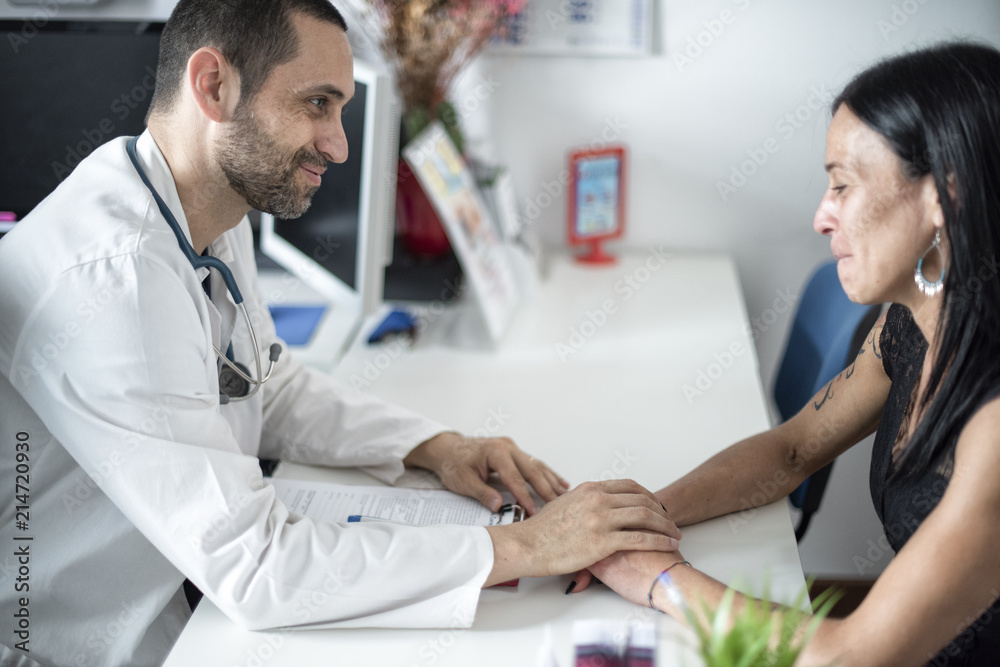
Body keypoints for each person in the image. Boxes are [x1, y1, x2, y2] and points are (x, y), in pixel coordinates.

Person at [0, 1, 681, 665]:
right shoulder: (115, 277)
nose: (339, 144)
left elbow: (262, 381)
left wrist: (434, 446)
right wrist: (528, 546)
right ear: (213, 85)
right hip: (82, 639)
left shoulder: (203, 205)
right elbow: (258, 568)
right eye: (317, 104)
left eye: (340, 110)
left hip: (182, 596)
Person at [570, 42, 1000, 666]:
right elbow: (793, 449)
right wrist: (643, 518)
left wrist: (661, 579)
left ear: (944, 197)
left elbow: (846, 657)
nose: (822, 217)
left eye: (842, 185)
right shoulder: (908, 327)